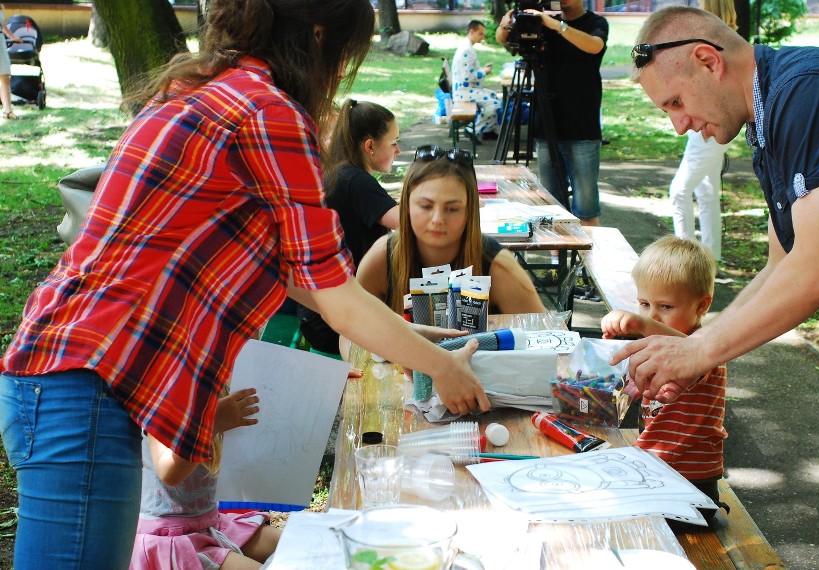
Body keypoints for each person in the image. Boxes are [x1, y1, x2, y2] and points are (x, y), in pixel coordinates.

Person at [0, 2, 490, 568]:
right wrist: (441, 365)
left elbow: (302, 276)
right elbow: (334, 292)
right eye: (345, 58)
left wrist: (416, 342)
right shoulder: (268, 113)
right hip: (85, 387)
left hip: (65, 374)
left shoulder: (200, 89)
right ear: (320, 35)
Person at [611, 5, 819, 543]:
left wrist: (699, 352)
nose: (678, 125)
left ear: (707, 60)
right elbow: (781, 265)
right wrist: (691, 346)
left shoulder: (807, 94)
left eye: (675, 102)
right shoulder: (769, 120)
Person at [602, 235, 727, 523]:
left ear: (701, 306)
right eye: (644, 304)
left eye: (665, 307)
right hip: (656, 466)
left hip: (688, 481)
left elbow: (690, 353)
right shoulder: (662, 349)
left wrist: (645, 324)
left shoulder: (704, 350)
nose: (653, 315)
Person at [356, 145, 547, 316]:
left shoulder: (498, 267)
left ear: (470, 211)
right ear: (405, 206)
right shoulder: (382, 257)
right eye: (425, 206)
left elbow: (542, 337)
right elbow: (350, 332)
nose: (438, 219)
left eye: (452, 209)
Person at [130, 387, 281, 569]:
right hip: (171, 541)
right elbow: (170, 473)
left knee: (304, 548)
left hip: (212, 524)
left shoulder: (218, 378)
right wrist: (211, 422)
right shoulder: (164, 388)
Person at [297, 98, 401, 354]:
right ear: (370, 146)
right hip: (335, 320)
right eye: (394, 142)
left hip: (320, 312)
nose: (398, 150)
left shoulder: (340, 173)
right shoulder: (356, 181)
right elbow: (412, 224)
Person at [495, 0, 608, 226]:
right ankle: (558, 257)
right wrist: (505, 25)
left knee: (586, 205)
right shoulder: (543, 22)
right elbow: (504, 39)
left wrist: (557, 26)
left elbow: (595, 45)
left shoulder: (595, 22)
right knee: (550, 204)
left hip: (582, 125)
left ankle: (587, 259)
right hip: (546, 123)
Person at [668, 0, 738, 260]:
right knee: (707, 190)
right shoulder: (728, 40)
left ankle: (685, 261)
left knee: (679, 191)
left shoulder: (710, 45)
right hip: (712, 125)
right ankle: (711, 256)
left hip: (710, 125)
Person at [451, 19, 501, 141]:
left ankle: (488, 130)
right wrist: (484, 71)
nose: (483, 37)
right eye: (480, 34)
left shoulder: (466, 46)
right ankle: (472, 130)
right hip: (464, 92)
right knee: (494, 104)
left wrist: (482, 69)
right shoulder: (466, 50)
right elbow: (467, 77)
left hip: (466, 89)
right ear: (472, 31)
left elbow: (469, 71)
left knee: (494, 96)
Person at [0, 4, 23, 120]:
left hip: (0, 42)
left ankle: (7, 111)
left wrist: (13, 37)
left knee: (4, 76)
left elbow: (3, 26)